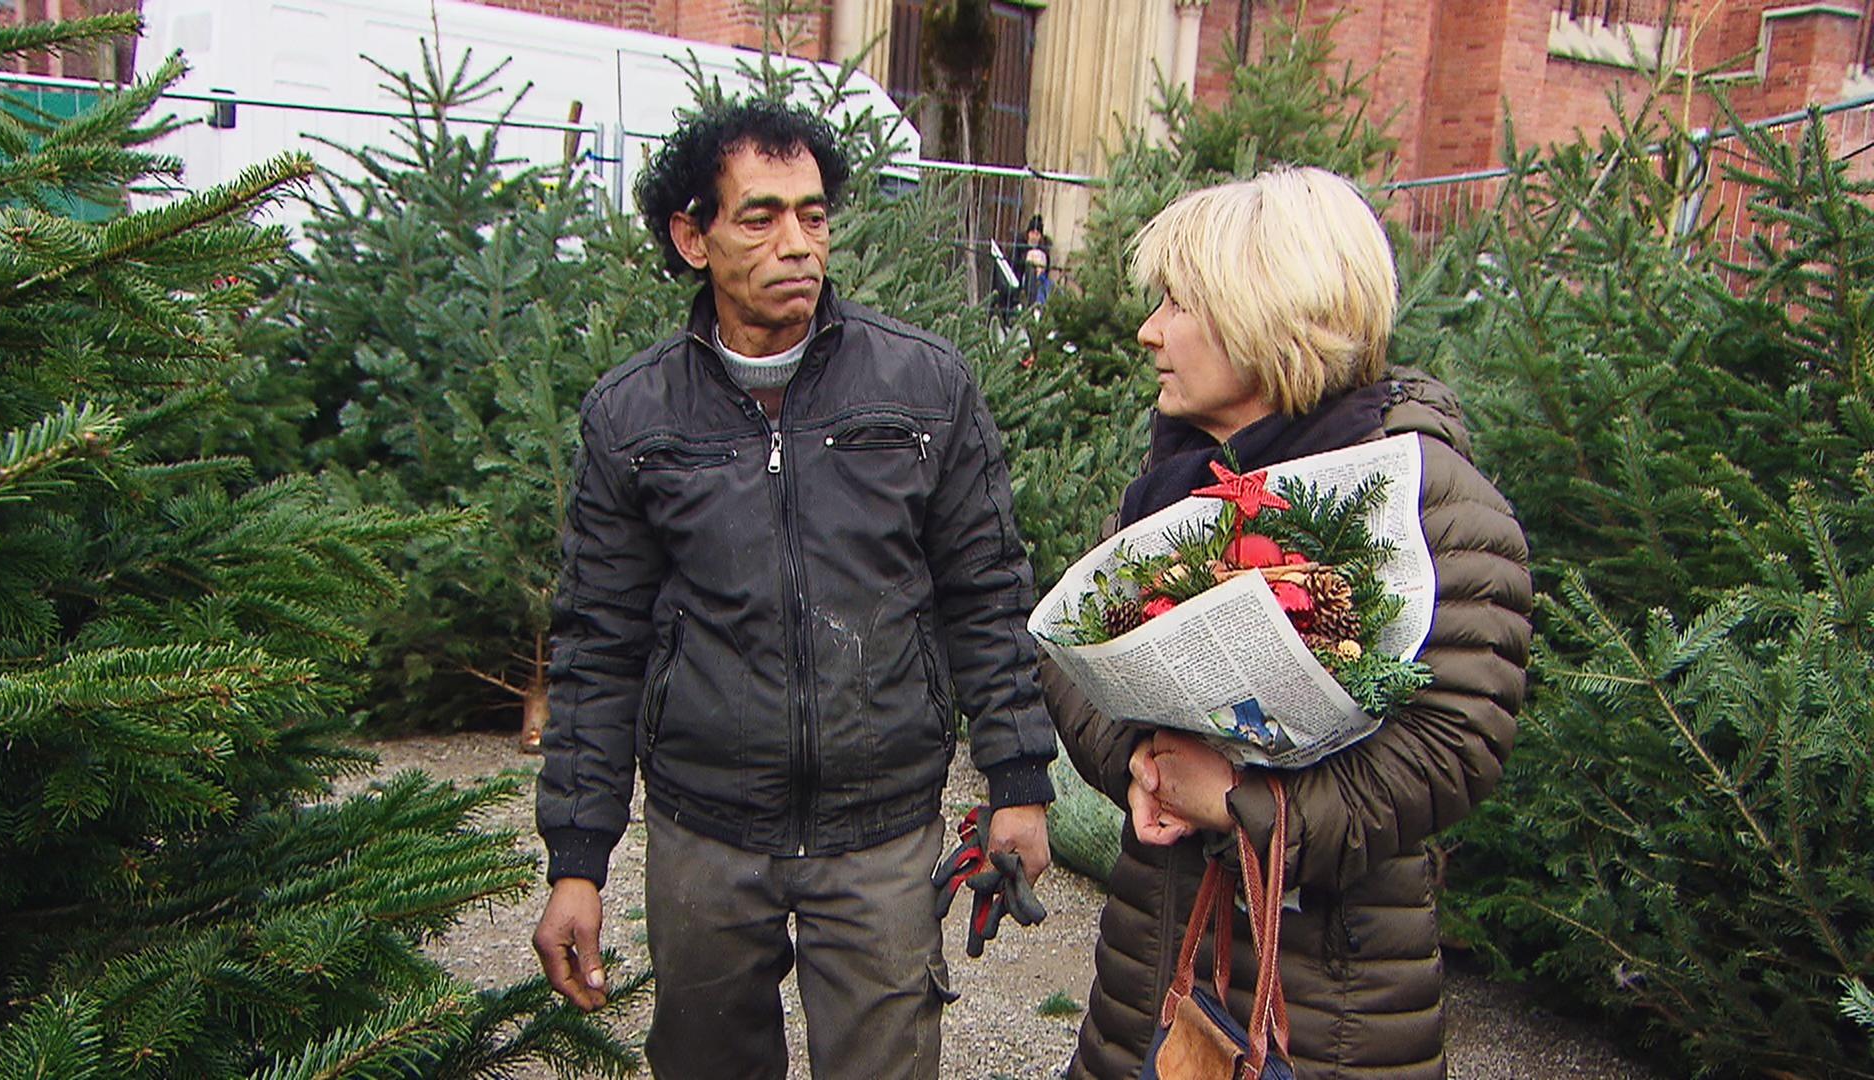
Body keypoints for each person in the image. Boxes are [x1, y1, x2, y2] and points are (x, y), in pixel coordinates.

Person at [531, 98, 1057, 1080]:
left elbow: (986, 595)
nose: (798, 245)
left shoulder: (924, 388)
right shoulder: (632, 417)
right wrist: (576, 862)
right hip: (707, 828)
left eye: (813, 216)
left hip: (881, 829)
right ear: (693, 237)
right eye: (761, 217)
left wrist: (1019, 781)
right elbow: (598, 646)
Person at [1044, 166, 1533, 1079]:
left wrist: (1246, 806)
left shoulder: (1427, 505)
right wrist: (1145, 765)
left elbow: (1455, 744)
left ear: (1266, 316)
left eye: (1178, 303)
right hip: (1152, 965)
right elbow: (1072, 657)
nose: (1150, 330)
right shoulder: (1175, 486)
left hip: (1330, 1001)